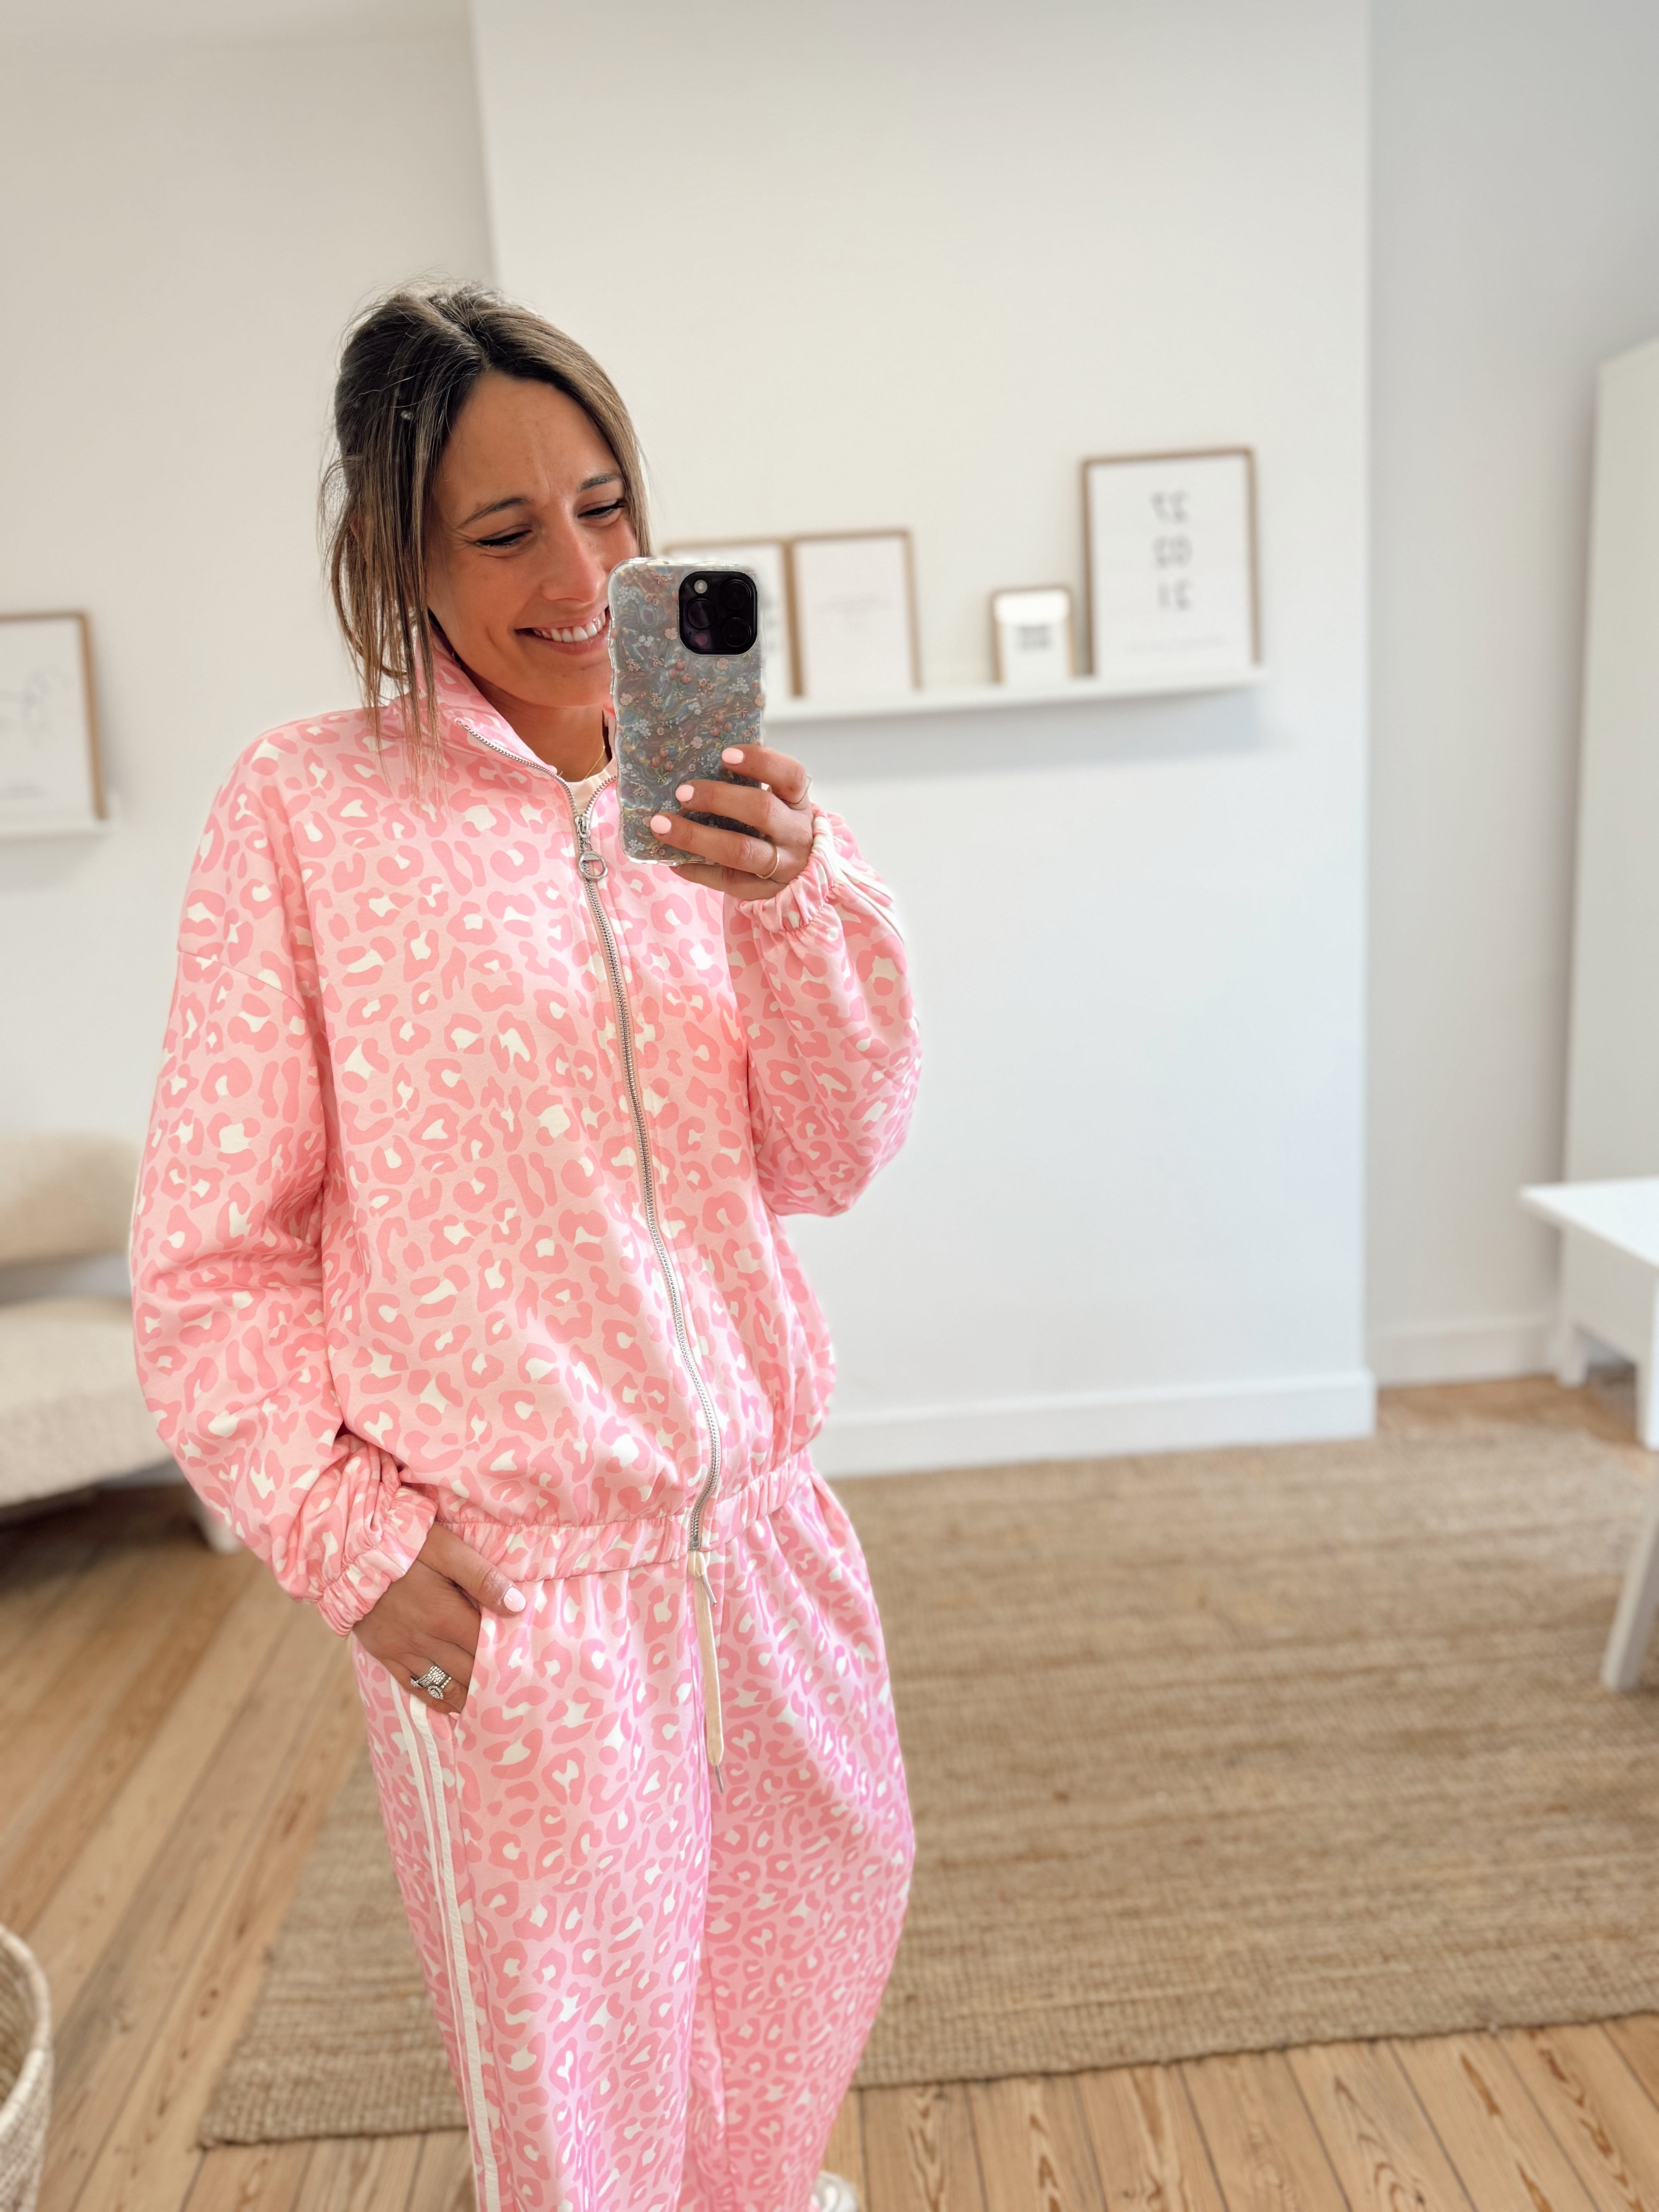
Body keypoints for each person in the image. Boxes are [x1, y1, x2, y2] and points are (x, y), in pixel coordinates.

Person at [130, 283, 919, 2212]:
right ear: (398, 561)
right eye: (502, 532)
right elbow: (216, 1248)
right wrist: (343, 1538)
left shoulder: (714, 795)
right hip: (524, 1594)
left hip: (767, 1540)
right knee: (582, 2111)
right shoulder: (306, 814)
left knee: (806, 1984)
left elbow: (833, 1156)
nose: (576, 575)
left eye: (603, 503)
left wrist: (793, 905)